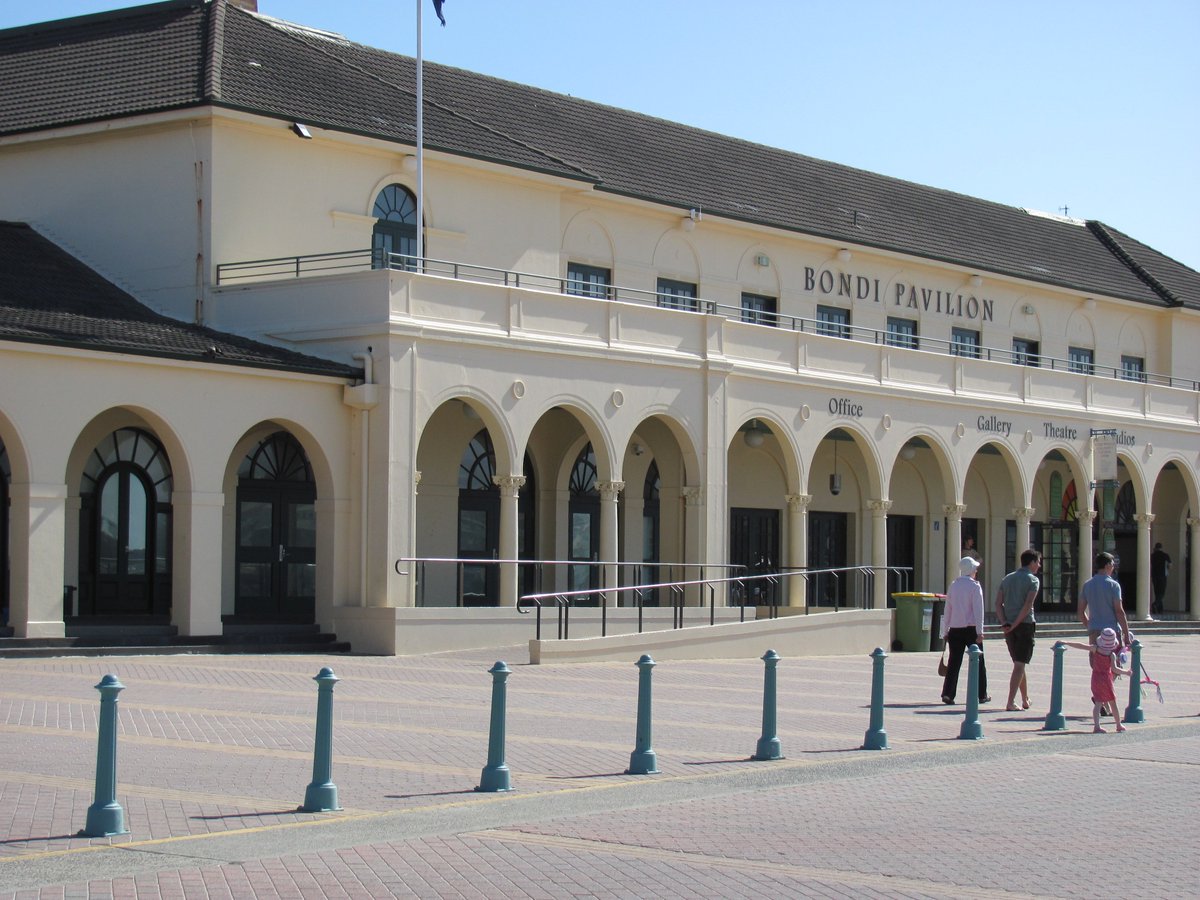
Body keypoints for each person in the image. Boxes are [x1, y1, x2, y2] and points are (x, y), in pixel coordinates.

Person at [996, 549, 1041, 711]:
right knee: (1020, 664)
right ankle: (1010, 701)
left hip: (1008, 626)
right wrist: (1015, 624)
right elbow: (1028, 605)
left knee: (1018, 663)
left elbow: (998, 603)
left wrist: (1004, 622)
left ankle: (1025, 699)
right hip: (1025, 625)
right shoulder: (1033, 580)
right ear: (1032, 562)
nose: (1039, 565)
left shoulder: (1007, 578)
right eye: (1038, 562)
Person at [940, 556, 990, 705]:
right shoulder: (975, 586)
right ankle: (981, 694)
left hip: (955, 629)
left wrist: (945, 630)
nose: (976, 571)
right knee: (979, 661)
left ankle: (948, 694)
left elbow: (948, 609)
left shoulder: (953, 585)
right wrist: (980, 631)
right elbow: (978, 610)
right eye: (975, 568)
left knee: (954, 662)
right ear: (972, 570)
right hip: (971, 629)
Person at [1062, 628, 1131, 733]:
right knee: (1112, 702)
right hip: (1106, 679)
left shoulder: (1095, 649)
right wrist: (1126, 672)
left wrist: (1067, 642)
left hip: (1096, 678)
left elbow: (1081, 646)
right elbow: (1115, 669)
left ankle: (1097, 726)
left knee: (1098, 703)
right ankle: (1118, 724)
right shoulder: (1111, 655)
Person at [1078, 552, 1133, 647]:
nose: (1113, 567)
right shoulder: (1114, 585)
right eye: (1113, 564)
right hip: (1112, 631)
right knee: (1114, 655)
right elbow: (1119, 611)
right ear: (1107, 565)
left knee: (1095, 656)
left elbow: (1080, 611)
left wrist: (1090, 626)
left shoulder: (1087, 585)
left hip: (1094, 630)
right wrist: (1127, 635)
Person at [1150, 542, 1171, 616]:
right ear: (1161, 548)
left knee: (1157, 592)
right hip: (1162, 576)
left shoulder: (1152, 555)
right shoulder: (1165, 555)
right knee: (1161, 593)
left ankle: (1159, 609)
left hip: (1154, 576)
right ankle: (1155, 604)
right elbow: (1170, 565)